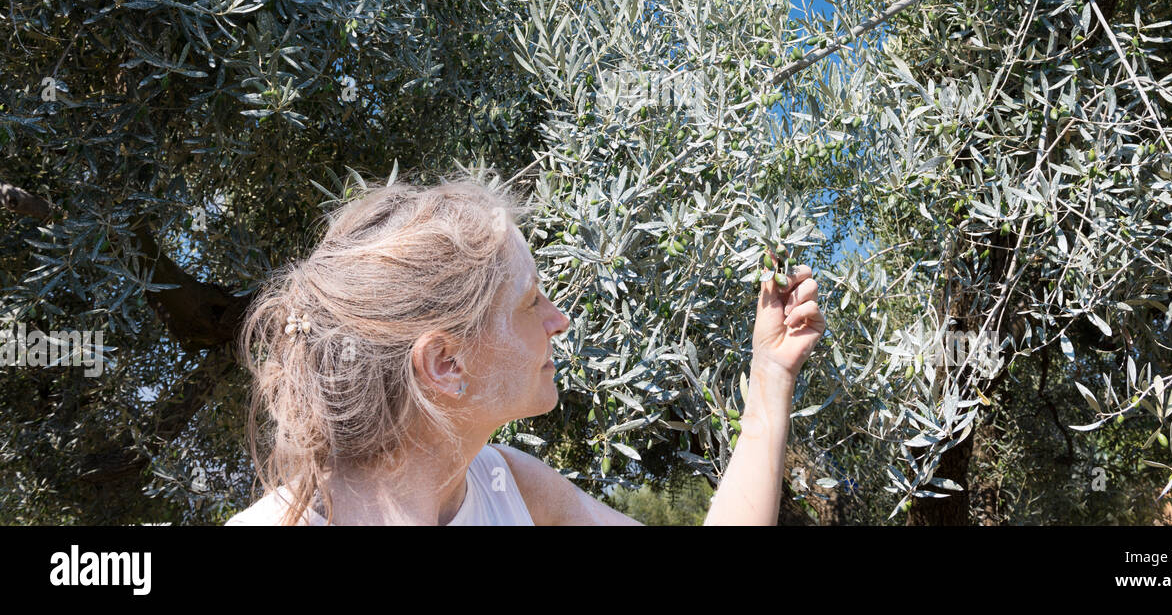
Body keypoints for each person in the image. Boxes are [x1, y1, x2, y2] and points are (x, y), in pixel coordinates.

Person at [225, 174, 824, 525]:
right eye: (530, 302)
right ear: (446, 364)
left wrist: (769, 374)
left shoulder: (504, 483)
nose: (558, 321)